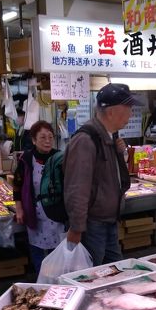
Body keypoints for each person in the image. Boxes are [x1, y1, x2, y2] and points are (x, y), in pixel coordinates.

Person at [63, 83, 138, 266]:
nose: (131, 115)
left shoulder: (109, 136)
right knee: (90, 276)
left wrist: (119, 153)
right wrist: (77, 227)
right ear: (112, 112)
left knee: (114, 272)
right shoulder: (86, 140)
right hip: (91, 225)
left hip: (108, 221)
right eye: (128, 109)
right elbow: (77, 187)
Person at [13, 121, 65, 274]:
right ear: (34, 140)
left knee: (58, 251)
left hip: (57, 212)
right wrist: (19, 209)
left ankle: (58, 282)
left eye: (50, 137)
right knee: (37, 250)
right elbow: (17, 185)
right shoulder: (26, 159)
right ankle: (41, 282)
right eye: (42, 137)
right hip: (34, 211)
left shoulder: (60, 157)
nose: (48, 141)